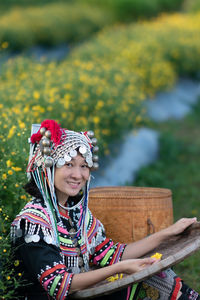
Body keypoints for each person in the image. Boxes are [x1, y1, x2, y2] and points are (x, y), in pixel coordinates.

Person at [11, 119, 199, 300]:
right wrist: (121, 269)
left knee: (156, 274)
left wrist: (169, 233)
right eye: (68, 164)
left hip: (81, 295)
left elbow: (114, 254)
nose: (78, 175)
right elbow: (60, 285)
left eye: (84, 166)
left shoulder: (76, 214)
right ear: (47, 168)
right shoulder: (34, 222)